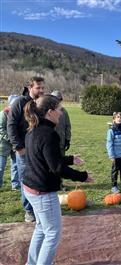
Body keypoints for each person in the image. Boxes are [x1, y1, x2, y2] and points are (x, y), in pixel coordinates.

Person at [22, 94, 93, 265]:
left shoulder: (34, 129)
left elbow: (45, 157)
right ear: (50, 112)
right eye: (60, 109)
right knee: (53, 233)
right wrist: (83, 176)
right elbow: (57, 168)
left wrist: (69, 159)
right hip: (42, 192)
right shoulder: (48, 134)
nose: (61, 113)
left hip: (30, 188)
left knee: (41, 228)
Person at [7, 76, 45, 222]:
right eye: (38, 88)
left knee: (38, 177)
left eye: (42, 87)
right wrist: (18, 147)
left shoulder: (40, 104)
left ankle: (38, 207)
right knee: (25, 180)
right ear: (30, 88)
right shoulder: (19, 103)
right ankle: (29, 210)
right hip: (23, 150)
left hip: (37, 149)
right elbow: (11, 126)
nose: (41, 90)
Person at [0, 95, 20, 190]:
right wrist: (11, 139)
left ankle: (15, 185)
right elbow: (1, 130)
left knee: (16, 165)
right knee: (1, 167)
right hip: (3, 145)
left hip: (15, 144)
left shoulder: (19, 114)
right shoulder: (3, 114)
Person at [51, 91, 71, 156]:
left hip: (61, 143)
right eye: (55, 99)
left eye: (59, 99)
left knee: (61, 162)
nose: (57, 101)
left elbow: (67, 126)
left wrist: (67, 140)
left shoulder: (64, 112)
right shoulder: (46, 111)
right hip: (50, 143)